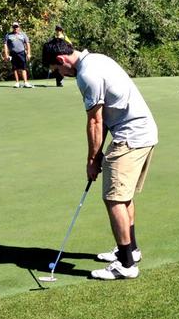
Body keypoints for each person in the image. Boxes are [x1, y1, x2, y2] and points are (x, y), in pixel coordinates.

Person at [41, 38, 157, 280]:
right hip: (143, 132)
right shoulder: (97, 59)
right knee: (123, 197)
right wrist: (98, 153)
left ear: (62, 60)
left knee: (113, 199)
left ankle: (126, 265)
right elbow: (102, 118)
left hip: (131, 136)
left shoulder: (87, 75)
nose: (61, 74)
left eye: (57, 70)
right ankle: (131, 250)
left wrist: (93, 159)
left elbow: (95, 121)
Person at [3, 22, 33, 88]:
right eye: (14, 27)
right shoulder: (8, 35)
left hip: (22, 53)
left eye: (16, 27)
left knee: (23, 68)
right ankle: (17, 83)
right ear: (12, 27)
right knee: (15, 68)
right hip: (13, 54)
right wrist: (6, 55)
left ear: (19, 27)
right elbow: (5, 45)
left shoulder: (23, 34)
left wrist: (29, 53)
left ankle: (25, 82)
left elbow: (28, 44)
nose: (15, 28)